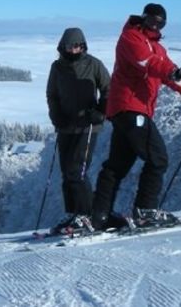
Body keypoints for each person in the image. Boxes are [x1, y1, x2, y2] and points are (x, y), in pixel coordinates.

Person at [91, 3, 181, 230]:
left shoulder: (158, 49)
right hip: (130, 108)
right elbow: (147, 63)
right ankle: (145, 212)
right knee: (158, 158)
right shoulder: (131, 38)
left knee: (116, 166)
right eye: (152, 20)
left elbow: (172, 77)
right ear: (143, 18)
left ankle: (100, 215)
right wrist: (174, 71)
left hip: (128, 112)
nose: (156, 25)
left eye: (161, 23)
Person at [46, 27, 111, 234]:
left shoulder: (94, 64)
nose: (73, 49)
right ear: (62, 46)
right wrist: (56, 116)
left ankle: (86, 215)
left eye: (77, 45)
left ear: (83, 45)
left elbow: (110, 90)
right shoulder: (57, 67)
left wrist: (101, 111)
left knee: (78, 171)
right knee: (67, 172)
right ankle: (72, 213)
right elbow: (52, 95)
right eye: (69, 46)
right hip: (65, 126)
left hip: (89, 126)